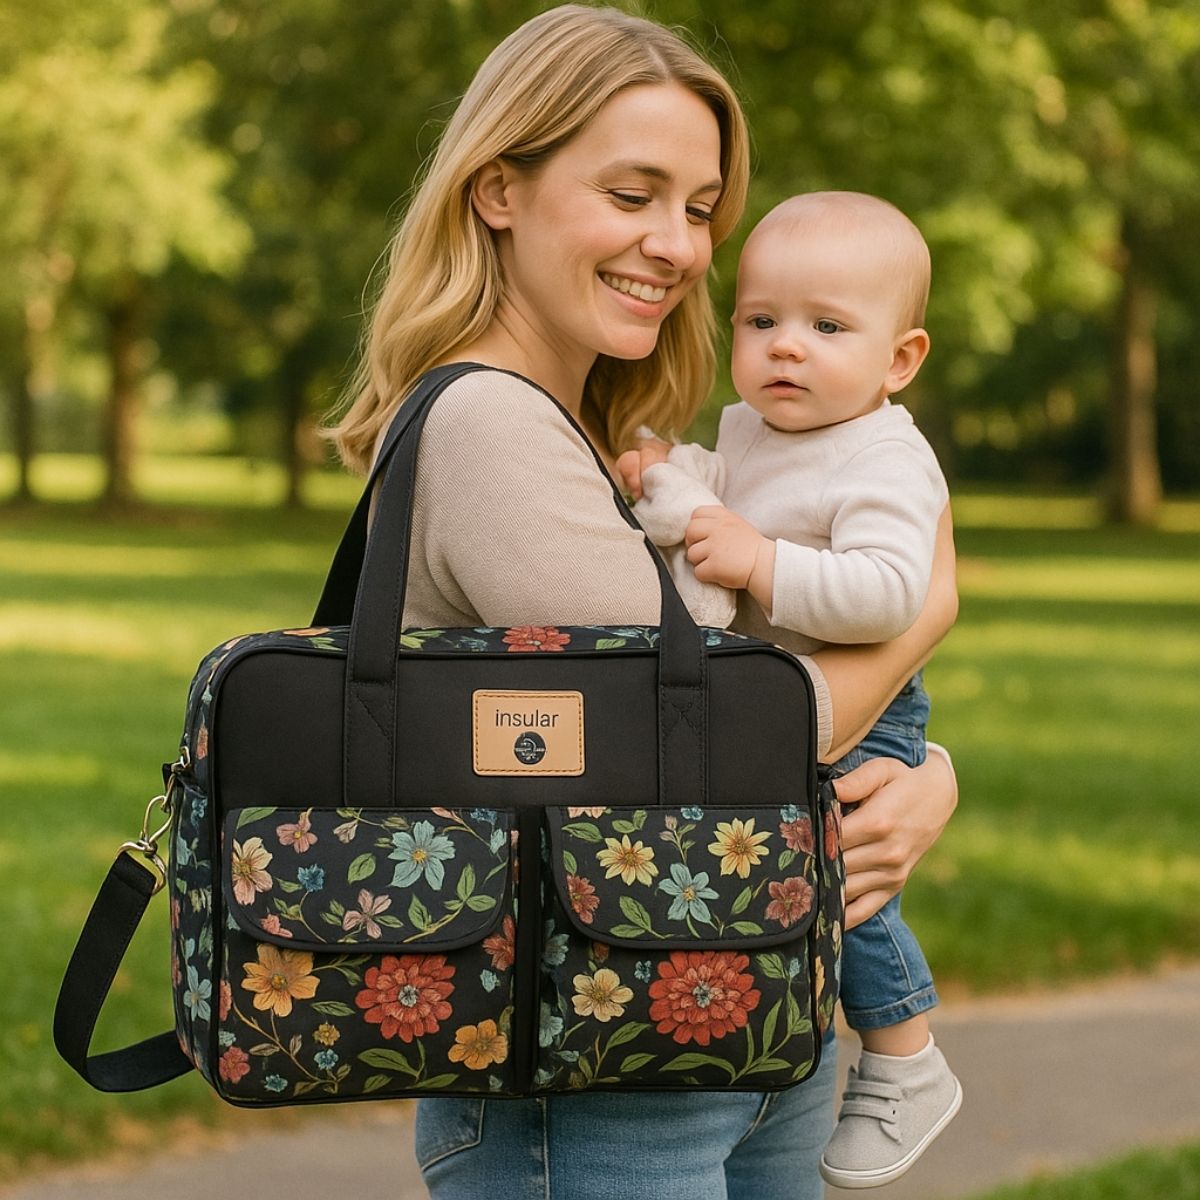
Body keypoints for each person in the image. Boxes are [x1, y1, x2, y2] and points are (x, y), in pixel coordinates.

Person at [328, 7, 959, 1198]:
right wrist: (929, 611)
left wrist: (925, 774)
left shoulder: (588, 426)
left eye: (702, 208)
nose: (676, 245)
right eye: (633, 195)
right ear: (498, 189)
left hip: (745, 1016)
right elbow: (702, 744)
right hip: (597, 1081)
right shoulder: (489, 423)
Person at [617, 190, 963, 1189]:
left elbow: (888, 593)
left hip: (866, 704)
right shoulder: (754, 424)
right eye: (761, 320)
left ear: (900, 360)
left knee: (842, 886)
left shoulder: (887, 456)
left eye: (828, 326)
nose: (786, 347)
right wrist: (667, 471)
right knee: (793, 879)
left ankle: (905, 1055)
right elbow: (721, 492)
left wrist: (762, 563)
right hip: (784, 695)